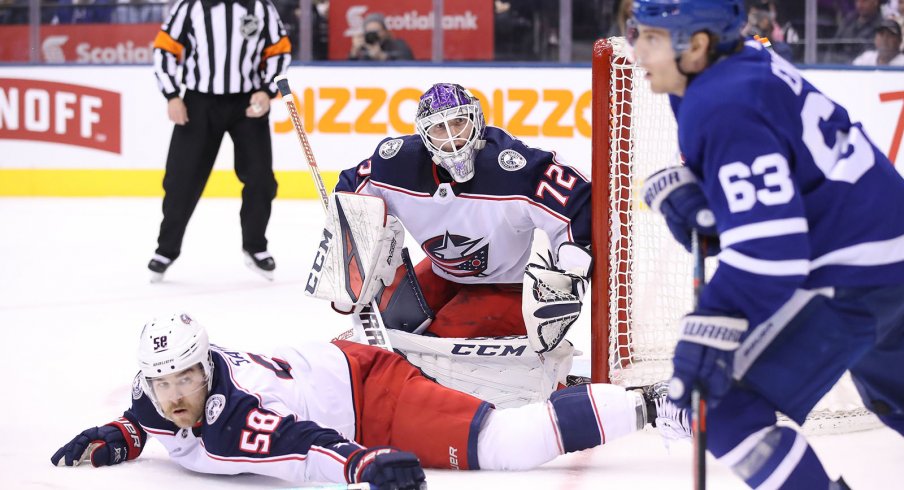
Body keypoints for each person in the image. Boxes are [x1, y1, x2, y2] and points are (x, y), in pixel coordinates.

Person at [630, 0, 904, 488]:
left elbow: (771, 254)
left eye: (651, 38)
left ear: (696, 45)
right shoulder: (744, 63)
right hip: (886, 248)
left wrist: (707, 329)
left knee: (719, 404)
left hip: (855, 267)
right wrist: (714, 202)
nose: (637, 52)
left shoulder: (720, 102)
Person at [50, 313, 690, 488]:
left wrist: (362, 464)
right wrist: (118, 436)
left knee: (506, 447)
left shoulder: (234, 418)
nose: (173, 396)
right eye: (161, 383)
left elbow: (303, 443)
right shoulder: (155, 396)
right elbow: (147, 421)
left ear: (204, 367)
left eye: (184, 379)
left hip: (366, 392)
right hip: (332, 369)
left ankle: (655, 403)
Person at [328, 82, 591, 355]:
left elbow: (579, 201)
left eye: (458, 122)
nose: (452, 137)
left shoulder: (512, 168)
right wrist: (351, 259)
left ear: (476, 120)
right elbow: (351, 187)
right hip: (441, 273)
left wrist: (569, 275)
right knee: (381, 331)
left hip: (507, 287)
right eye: (439, 128)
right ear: (425, 135)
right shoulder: (399, 163)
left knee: (426, 350)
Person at [148, 0, 291, 282]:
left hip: (248, 102)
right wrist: (172, 94)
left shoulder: (260, 6)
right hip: (198, 104)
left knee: (261, 179)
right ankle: (166, 249)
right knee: (180, 180)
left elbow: (279, 51)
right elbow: (164, 48)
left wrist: (265, 90)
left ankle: (255, 246)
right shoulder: (189, 6)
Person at [348, 12, 414, 61]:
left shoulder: (397, 45)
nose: (373, 35)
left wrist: (383, 57)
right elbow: (348, 72)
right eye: (369, 32)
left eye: (376, 31)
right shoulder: (362, 48)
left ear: (384, 31)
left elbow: (408, 64)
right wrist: (354, 51)